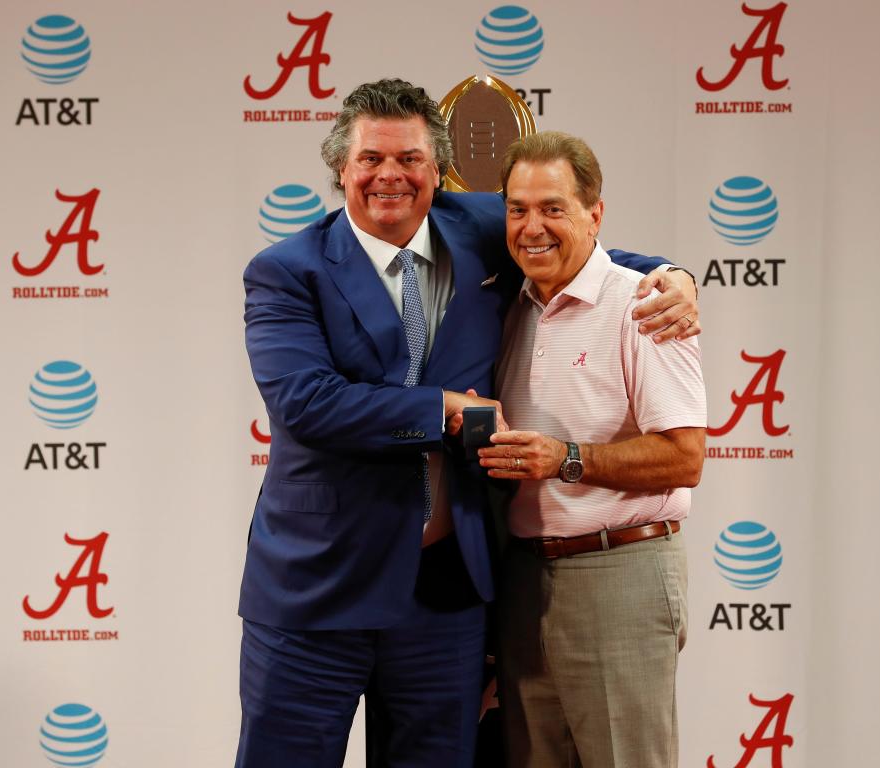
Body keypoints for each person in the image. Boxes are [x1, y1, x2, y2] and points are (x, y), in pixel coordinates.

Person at [236, 80, 699, 768]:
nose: (390, 175)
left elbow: (574, 243)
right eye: (371, 159)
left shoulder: (482, 227)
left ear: (438, 168)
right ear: (341, 167)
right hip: (317, 590)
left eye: (411, 159)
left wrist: (672, 274)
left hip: (444, 595)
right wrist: (444, 408)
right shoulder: (285, 271)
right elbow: (307, 404)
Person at [479, 131, 707, 768]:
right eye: (518, 210)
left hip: (621, 573)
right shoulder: (509, 307)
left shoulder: (645, 305)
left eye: (553, 208)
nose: (532, 227)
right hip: (525, 582)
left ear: (594, 214)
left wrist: (566, 458)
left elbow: (685, 456)